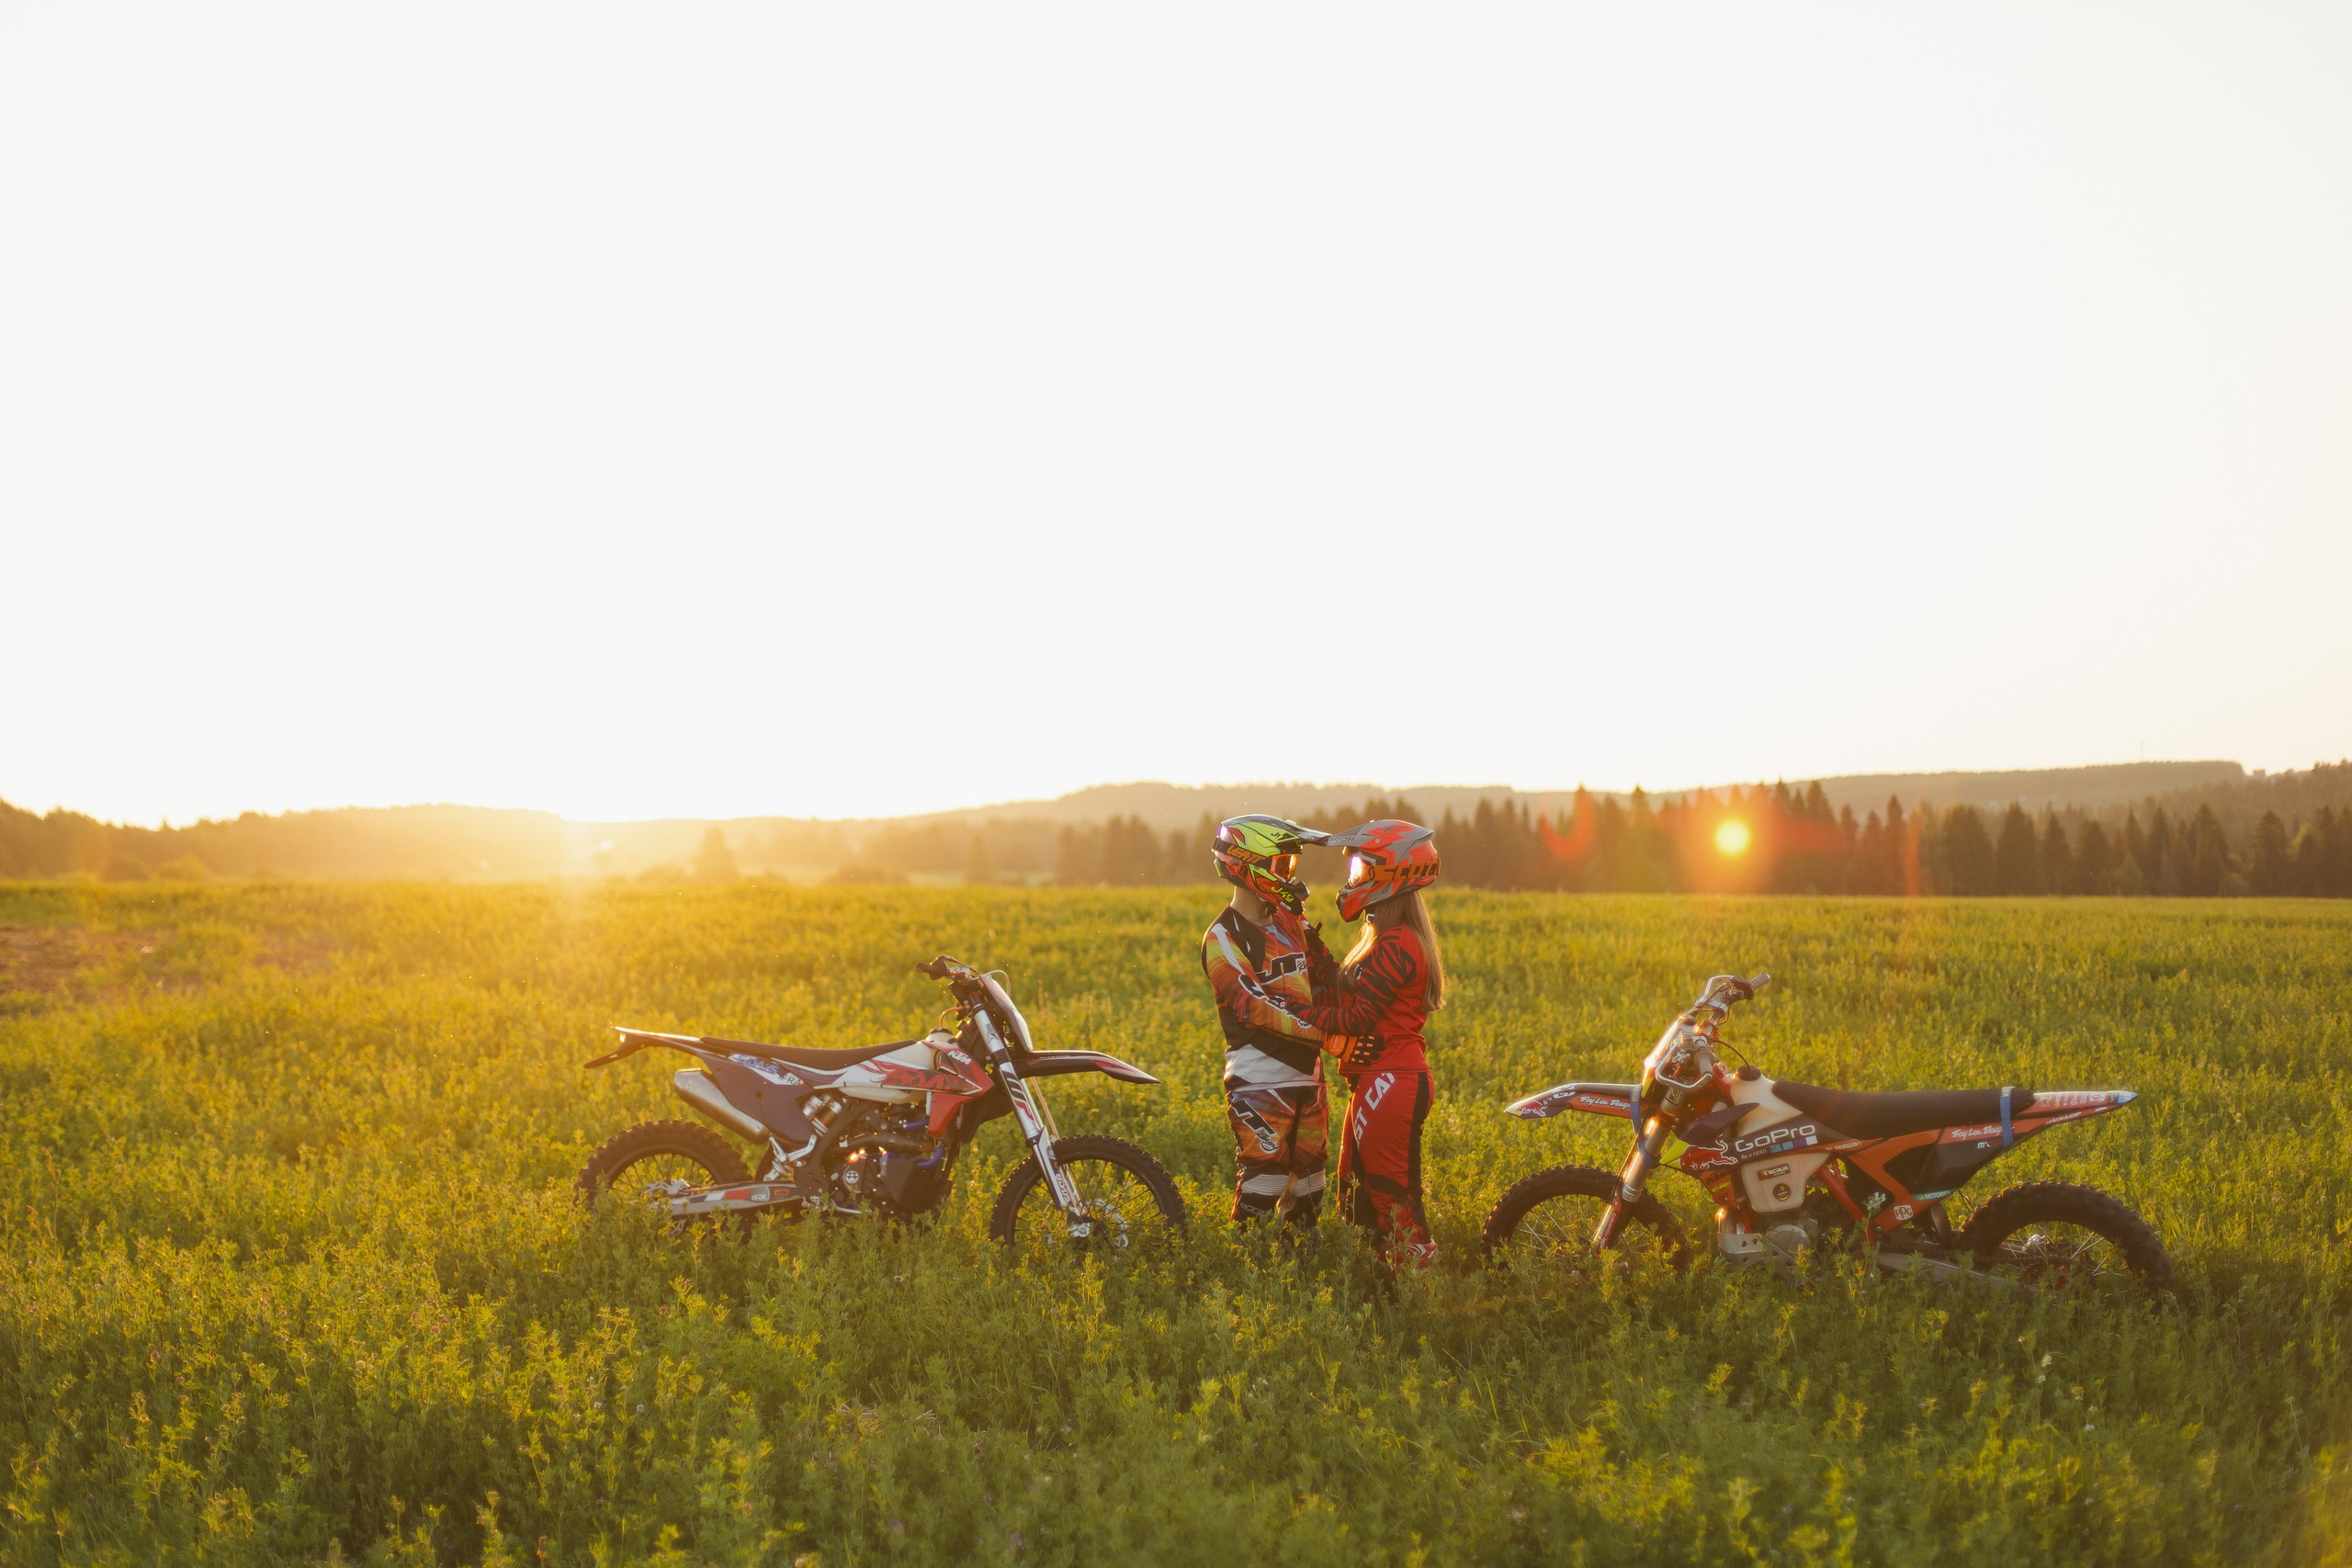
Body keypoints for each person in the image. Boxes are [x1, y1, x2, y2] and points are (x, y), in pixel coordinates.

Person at [1297, 820, 1444, 1270]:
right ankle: (1387, 1304)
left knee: (1390, 1195)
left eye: (1362, 868)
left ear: (1388, 874)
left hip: (1393, 1078)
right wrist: (1312, 945)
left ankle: (1419, 1302)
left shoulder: (1400, 942)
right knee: (1359, 1197)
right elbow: (1353, 995)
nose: (1354, 878)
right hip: (1380, 1079)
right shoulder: (1385, 937)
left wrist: (1298, 1018)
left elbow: (1358, 1018)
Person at [1200, 815, 1343, 1231]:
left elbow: (1330, 982)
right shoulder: (1221, 937)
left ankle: (1303, 1283)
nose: (1289, 876)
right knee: (1265, 1183)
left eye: (1291, 867)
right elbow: (1256, 1006)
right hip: (1258, 1079)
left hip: (1309, 1074)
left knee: (1312, 1186)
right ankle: (1246, 1277)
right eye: (1282, 866)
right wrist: (1334, 1037)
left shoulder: (1292, 922)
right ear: (1248, 865)